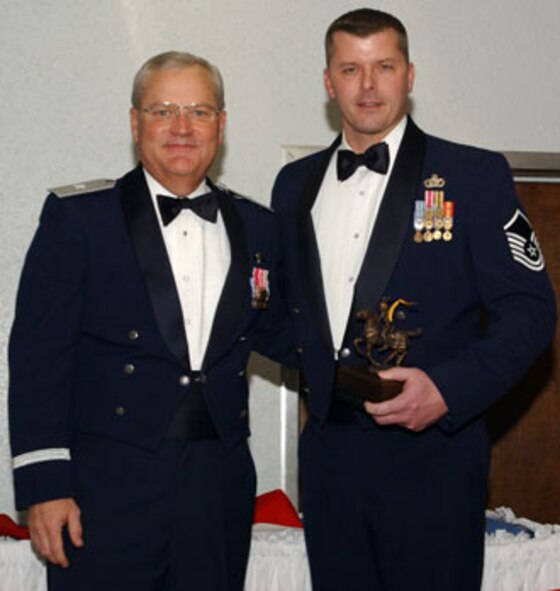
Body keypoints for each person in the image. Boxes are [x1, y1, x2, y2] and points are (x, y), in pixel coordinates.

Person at [272, 8, 556, 591]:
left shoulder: (473, 175)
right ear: (328, 82)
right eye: (351, 69)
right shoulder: (292, 184)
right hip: (328, 458)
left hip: (434, 458)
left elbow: (530, 310)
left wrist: (449, 390)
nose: (368, 85)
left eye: (384, 67)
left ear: (410, 75)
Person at [9, 50, 291, 591]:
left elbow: (281, 334)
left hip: (217, 490)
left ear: (221, 124)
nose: (182, 128)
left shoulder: (259, 228)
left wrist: (377, 368)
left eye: (199, 112)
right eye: (163, 111)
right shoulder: (80, 218)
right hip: (104, 492)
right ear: (135, 121)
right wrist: (44, 485)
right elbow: (38, 358)